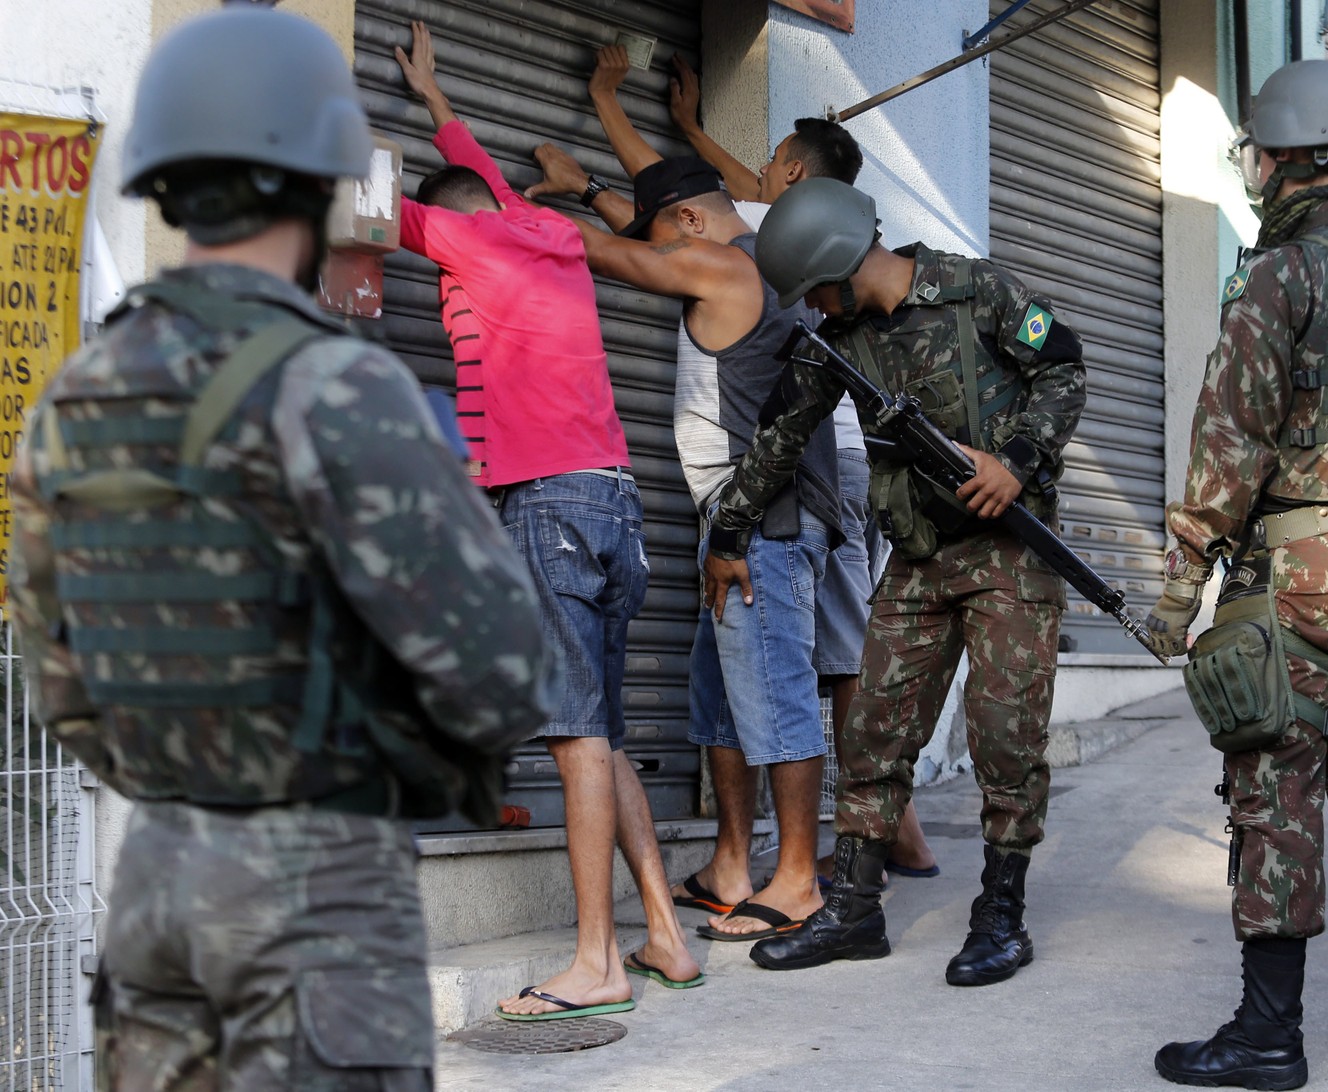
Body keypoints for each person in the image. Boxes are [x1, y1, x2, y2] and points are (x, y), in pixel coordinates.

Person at [6, 8, 558, 1088]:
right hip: (317, 887)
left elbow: (57, 682)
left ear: (168, 183)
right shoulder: (336, 384)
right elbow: (506, 673)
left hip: (156, 878)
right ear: (316, 187)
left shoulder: (73, 397)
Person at [1145, 60, 1328, 1089]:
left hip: (1300, 567)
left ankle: (1268, 1035)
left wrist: (1177, 591)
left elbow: (1227, 441)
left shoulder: (1279, 274)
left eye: (1261, 152)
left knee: (1274, 788)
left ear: (1295, 159)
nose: (1256, 170)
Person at [702, 177, 1086, 988]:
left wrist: (1016, 463)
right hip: (917, 555)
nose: (813, 308)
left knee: (1005, 736)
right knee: (874, 731)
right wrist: (728, 530)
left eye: (815, 292)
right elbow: (780, 436)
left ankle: (1001, 914)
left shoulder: (977, 289)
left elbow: (1064, 370)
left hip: (1008, 556)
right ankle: (855, 911)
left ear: (840, 270)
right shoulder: (838, 339)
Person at [579, 45, 941, 899]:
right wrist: (678, 129)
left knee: (796, 681)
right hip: (754, 507)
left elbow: (660, 231)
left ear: (793, 178)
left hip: (777, 503)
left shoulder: (752, 253)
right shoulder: (777, 245)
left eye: (777, 162)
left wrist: (515, 204)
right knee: (728, 690)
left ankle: (811, 874)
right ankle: (750, 863)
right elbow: (677, 200)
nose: (763, 171)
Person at [391, 23, 702, 1017]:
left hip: (550, 505)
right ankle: (663, 932)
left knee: (572, 739)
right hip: (613, 501)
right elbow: (479, 176)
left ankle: (596, 962)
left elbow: (356, 203)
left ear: (458, 230)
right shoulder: (545, 232)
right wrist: (439, 102)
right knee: (604, 735)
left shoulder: (465, 237)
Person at [532, 146, 844, 941]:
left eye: (671, 234)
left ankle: (799, 879)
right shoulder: (768, 259)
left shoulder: (723, 265)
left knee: (774, 696)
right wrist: (593, 189)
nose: (670, 249)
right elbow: (641, 237)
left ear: (694, 222)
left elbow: (609, 254)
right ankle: (733, 865)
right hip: (737, 524)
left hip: (757, 526)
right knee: (723, 706)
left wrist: (480, 206)